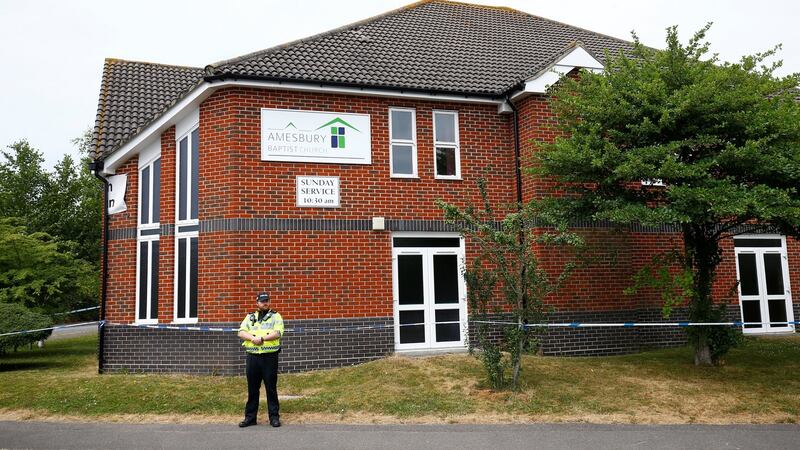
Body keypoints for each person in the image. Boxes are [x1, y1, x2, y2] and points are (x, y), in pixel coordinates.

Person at [238, 292, 284, 428]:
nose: (265, 303)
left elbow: (278, 332)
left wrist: (262, 339)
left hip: (269, 357)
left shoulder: (276, 316)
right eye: (262, 301)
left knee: (271, 388)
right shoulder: (250, 316)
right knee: (252, 389)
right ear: (257, 303)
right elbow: (241, 332)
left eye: (267, 301)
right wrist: (252, 338)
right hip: (253, 357)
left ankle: (274, 417)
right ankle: (250, 418)